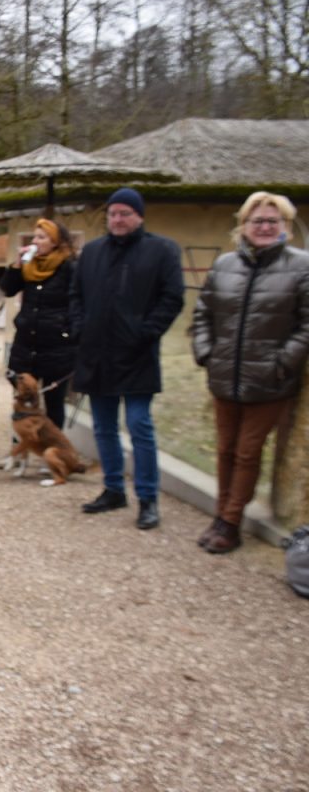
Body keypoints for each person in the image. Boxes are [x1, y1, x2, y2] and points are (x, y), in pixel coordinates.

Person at [191, 192, 309, 553]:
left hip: (269, 381)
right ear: (243, 225)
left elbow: (306, 325)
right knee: (225, 449)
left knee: (247, 452)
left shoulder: (301, 266)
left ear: (284, 227)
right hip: (224, 375)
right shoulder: (225, 265)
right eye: (257, 220)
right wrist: (207, 353)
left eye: (273, 221)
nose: (264, 227)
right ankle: (221, 514)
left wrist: (281, 364)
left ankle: (230, 521)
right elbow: (202, 313)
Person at [70, 187, 185, 530]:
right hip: (96, 354)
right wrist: (80, 328)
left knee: (139, 426)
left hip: (136, 355)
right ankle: (114, 488)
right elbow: (75, 295)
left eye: (124, 213)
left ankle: (148, 498)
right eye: (113, 214)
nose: (118, 220)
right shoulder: (91, 252)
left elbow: (172, 297)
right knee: (104, 427)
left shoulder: (161, 250)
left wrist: (146, 332)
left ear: (139, 216)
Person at [0, 218, 79, 427]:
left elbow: (79, 301)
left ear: (55, 241)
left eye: (41, 237)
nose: (35, 241)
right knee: (21, 401)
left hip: (56, 348)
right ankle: (19, 450)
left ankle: (52, 450)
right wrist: (17, 264)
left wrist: (67, 331)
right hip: (25, 345)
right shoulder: (28, 265)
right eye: (34, 236)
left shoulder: (69, 267)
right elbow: (7, 289)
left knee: (54, 403)